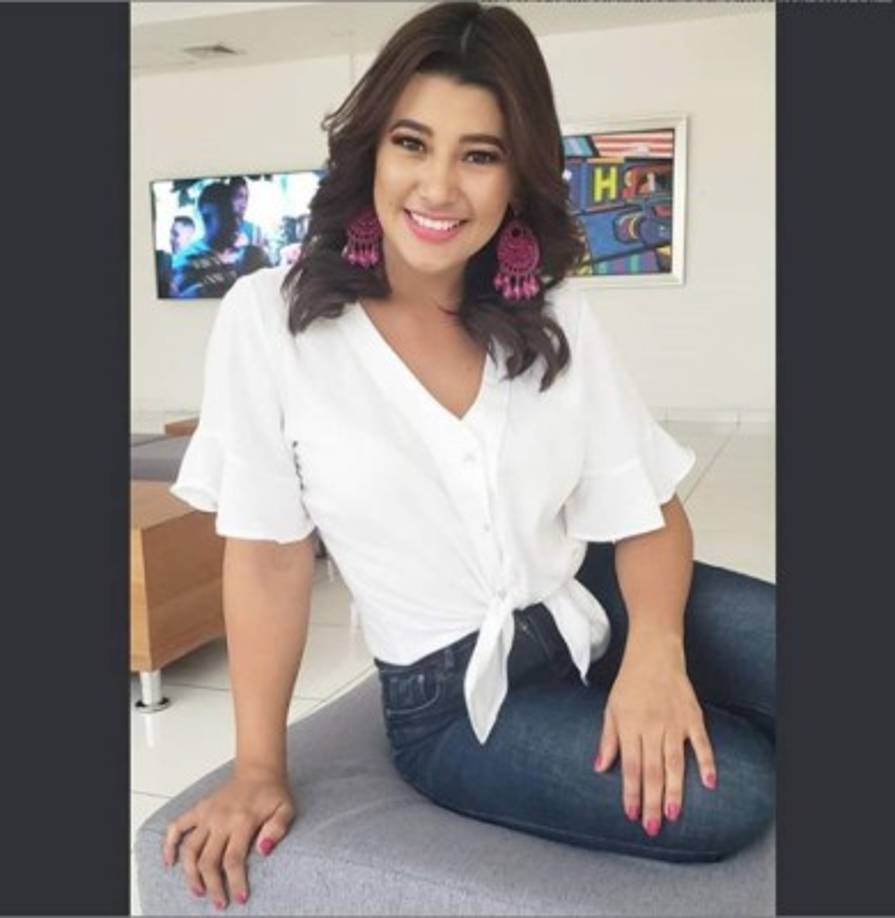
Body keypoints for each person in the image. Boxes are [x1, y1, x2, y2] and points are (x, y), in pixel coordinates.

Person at [164, 1, 775, 908]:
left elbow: (646, 510)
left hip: (587, 600)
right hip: (452, 700)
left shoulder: (556, 317)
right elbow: (265, 556)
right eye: (412, 143)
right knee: (737, 789)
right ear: (372, 151)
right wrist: (258, 768)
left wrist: (655, 652)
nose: (439, 187)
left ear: (517, 175)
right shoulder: (270, 319)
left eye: (478, 155)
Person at [171, 182, 269, 298]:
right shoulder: (186, 261)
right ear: (206, 216)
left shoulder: (245, 256)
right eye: (228, 217)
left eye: (239, 217)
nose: (237, 224)